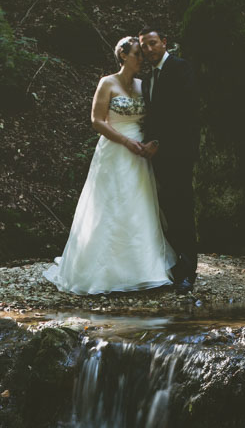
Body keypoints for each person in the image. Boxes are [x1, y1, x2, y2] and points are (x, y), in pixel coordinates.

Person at [43, 36, 175, 295]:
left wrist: (151, 142)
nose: (142, 58)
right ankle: (103, 270)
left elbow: (155, 117)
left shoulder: (143, 84)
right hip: (115, 149)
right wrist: (125, 141)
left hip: (140, 153)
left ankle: (144, 268)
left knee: (140, 205)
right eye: (138, 53)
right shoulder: (107, 83)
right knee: (110, 204)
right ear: (124, 55)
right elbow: (97, 120)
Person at [138, 27, 199, 294]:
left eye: (153, 43)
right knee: (166, 211)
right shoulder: (148, 77)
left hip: (179, 153)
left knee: (182, 208)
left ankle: (189, 271)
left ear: (164, 42)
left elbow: (185, 111)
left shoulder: (180, 68)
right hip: (156, 156)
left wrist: (160, 142)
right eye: (144, 47)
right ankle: (174, 264)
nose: (149, 50)